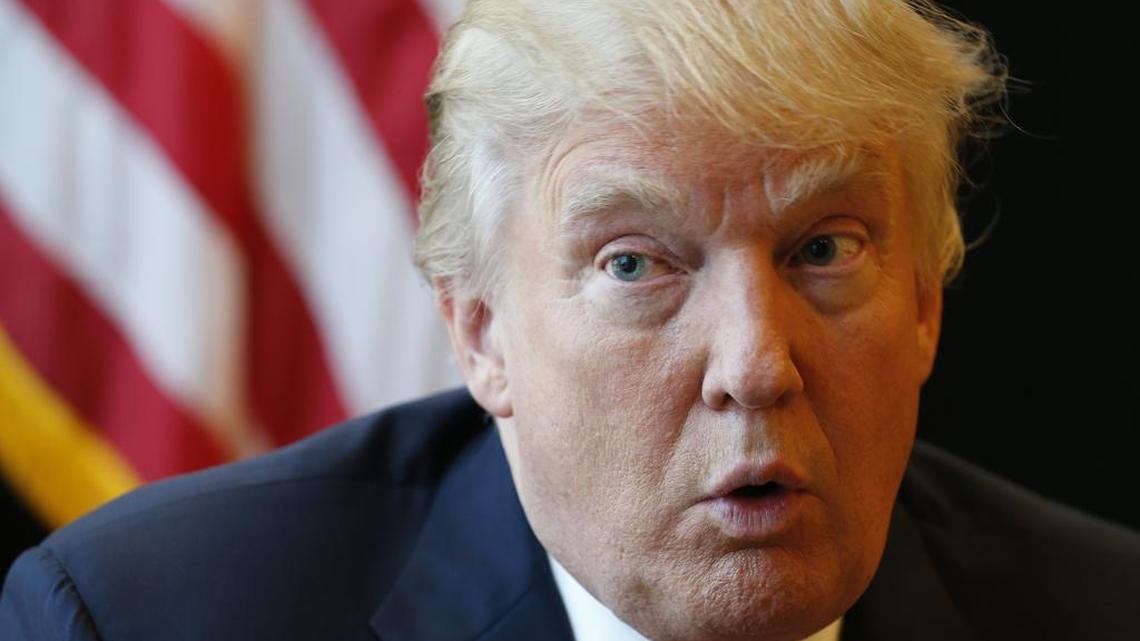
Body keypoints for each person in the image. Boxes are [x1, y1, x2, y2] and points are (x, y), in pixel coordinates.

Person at [2, 1, 1138, 640]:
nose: (754, 363)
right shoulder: (147, 620)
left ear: (927, 304)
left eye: (824, 250)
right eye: (635, 262)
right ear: (482, 332)